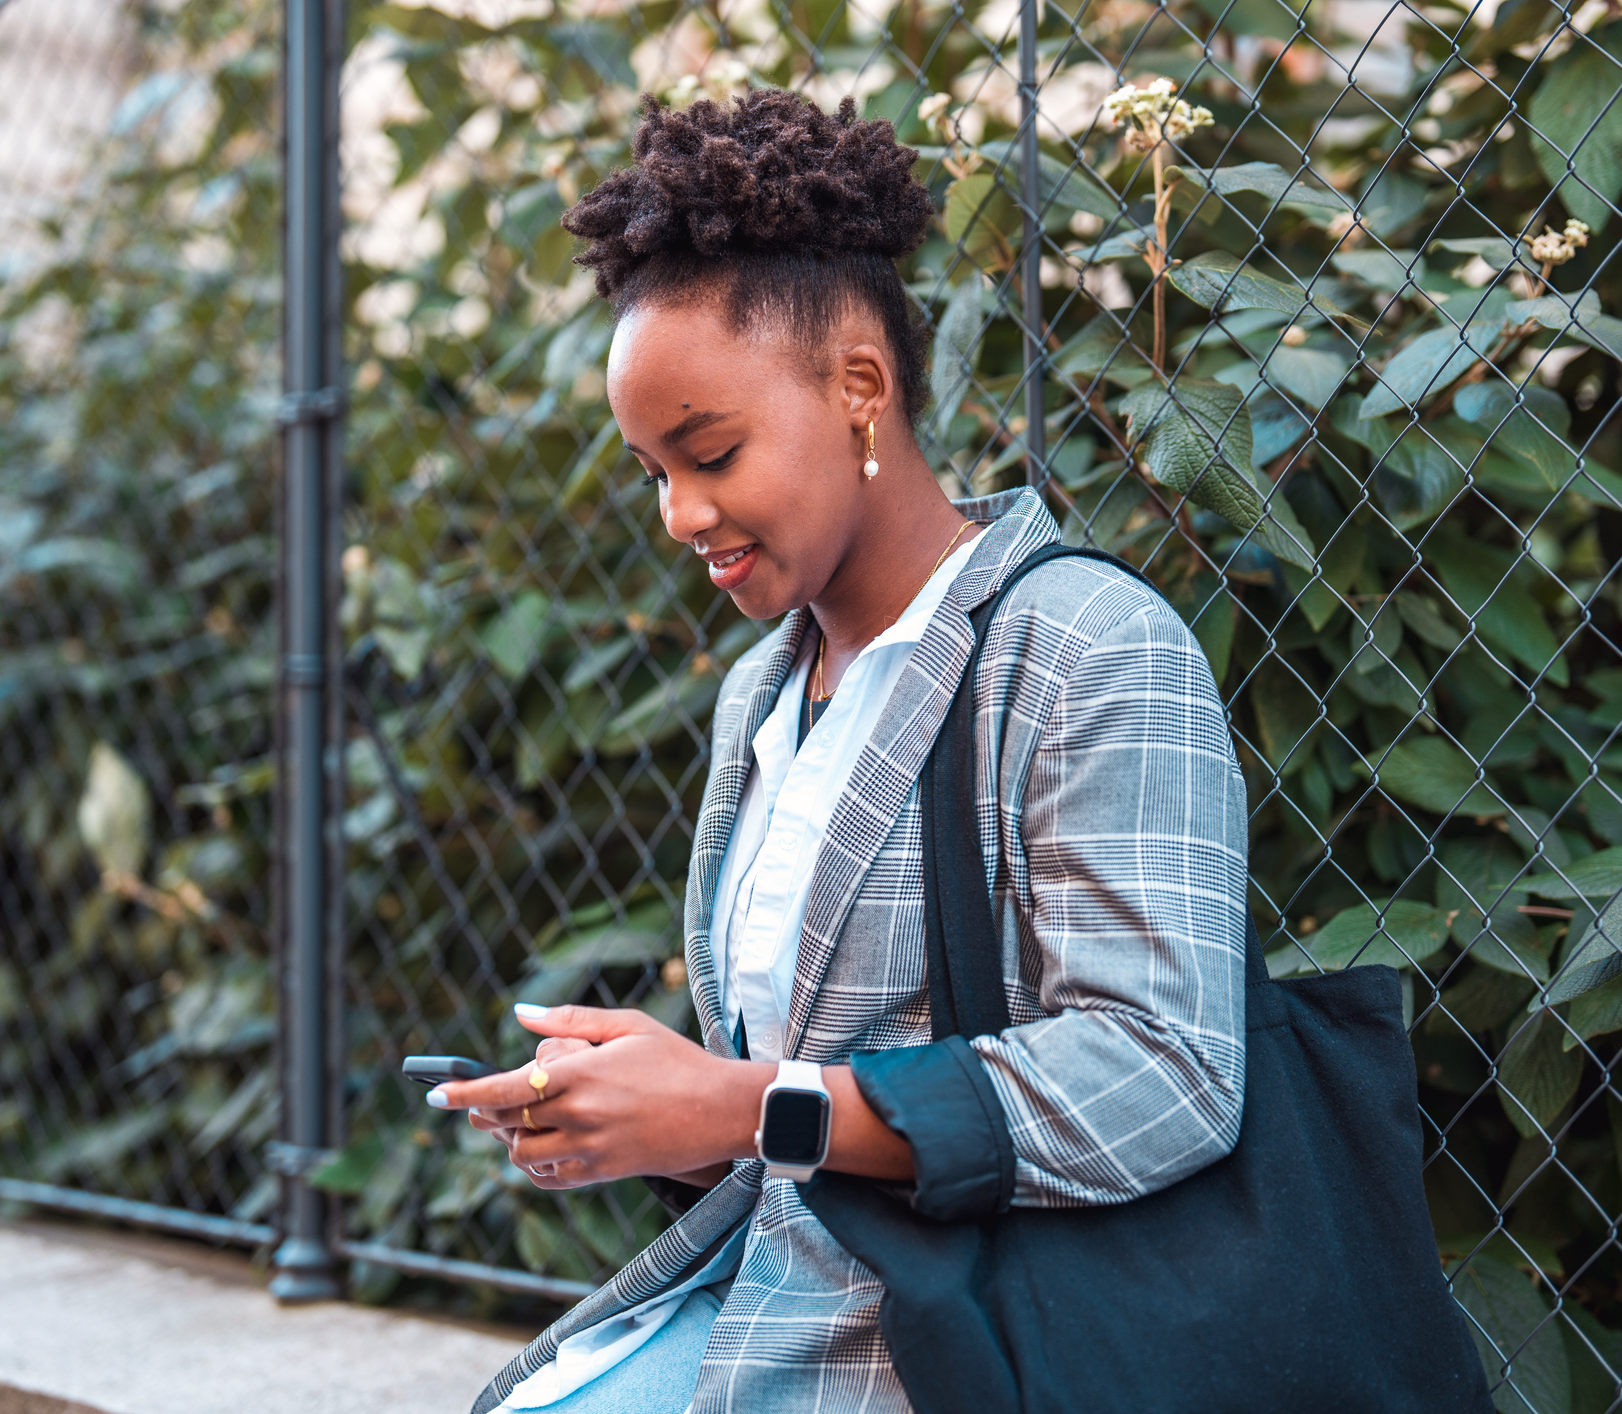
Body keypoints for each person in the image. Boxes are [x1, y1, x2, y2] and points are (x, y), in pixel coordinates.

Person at [429, 88, 1249, 1414]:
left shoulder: (1085, 646)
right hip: (771, 1302)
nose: (678, 513)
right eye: (649, 469)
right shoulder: (761, 696)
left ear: (859, 386)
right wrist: (645, 1110)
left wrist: (746, 1105)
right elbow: (784, 1093)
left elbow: (1164, 1076)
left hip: (970, 1339)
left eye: (710, 451)